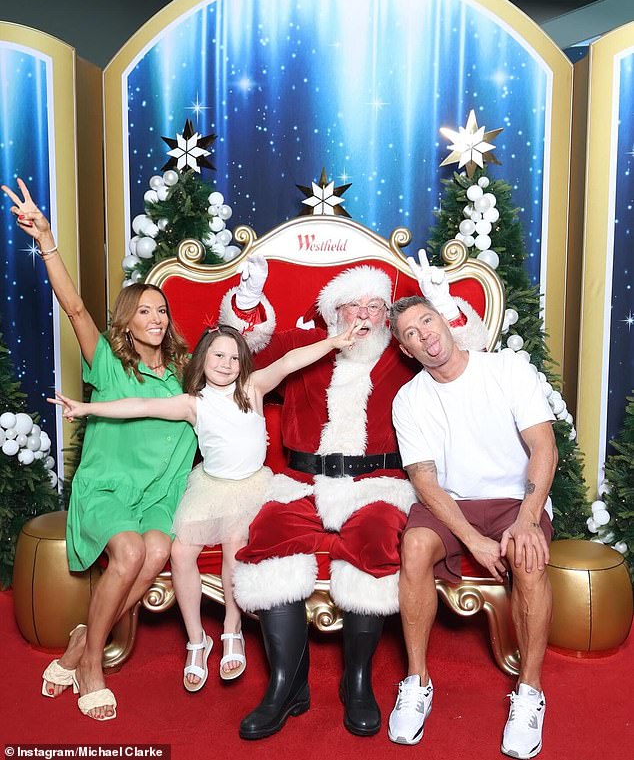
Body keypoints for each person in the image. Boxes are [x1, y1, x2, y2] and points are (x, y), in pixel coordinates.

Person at [217, 253, 489, 740]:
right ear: (332, 312)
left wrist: (443, 303)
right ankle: (285, 685)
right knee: (270, 539)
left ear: (387, 316)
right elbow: (243, 350)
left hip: (378, 485)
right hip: (301, 483)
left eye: (374, 306)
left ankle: (357, 681)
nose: (363, 316)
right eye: (352, 306)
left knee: (379, 542)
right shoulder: (305, 345)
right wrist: (248, 299)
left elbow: (463, 347)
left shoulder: (403, 356)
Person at [48, 321, 363, 693]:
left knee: (233, 543)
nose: (227, 363)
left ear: (243, 363)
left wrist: (333, 341)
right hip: (210, 486)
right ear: (203, 359)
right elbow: (142, 405)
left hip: (250, 487)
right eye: (218, 355)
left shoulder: (252, 388)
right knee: (180, 552)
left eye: (234, 357)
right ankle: (197, 640)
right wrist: (86, 407)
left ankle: (232, 630)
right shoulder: (193, 403)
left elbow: (290, 361)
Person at [1, 178, 198, 721]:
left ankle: (85, 637)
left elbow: (240, 377)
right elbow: (75, 310)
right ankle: (91, 664)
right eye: (144, 312)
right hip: (107, 487)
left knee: (156, 550)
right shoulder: (108, 364)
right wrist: (46, 240)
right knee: (131, 553)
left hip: (158, 494)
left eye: (161, 311)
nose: (156, 319)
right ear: (126, 321)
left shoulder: (183, 376)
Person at [388, 295, 557, 759]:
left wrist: (526, 521)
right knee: (416, 547)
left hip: (513, 498)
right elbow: (424, 479)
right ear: (406, 350)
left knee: (527, 556)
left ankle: (529, 692)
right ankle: (416, 680)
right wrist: (473, 540)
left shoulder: (506, 369)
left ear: (444, 320)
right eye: (411, 333)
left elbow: (544, 447)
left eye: (427, 321)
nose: (425, 335)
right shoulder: (409, 398)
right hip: (451, 503)